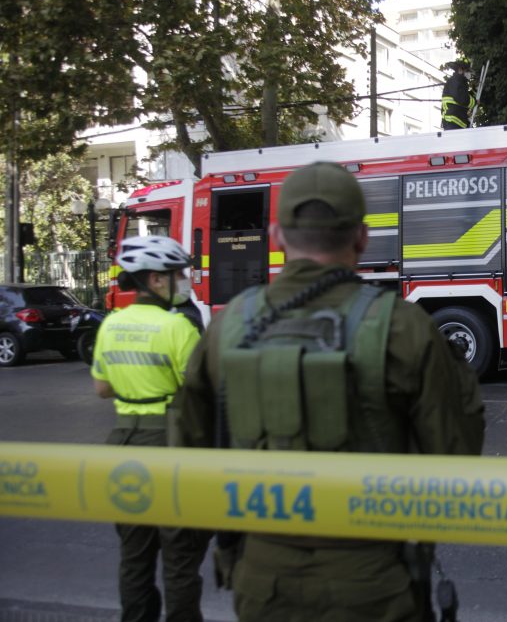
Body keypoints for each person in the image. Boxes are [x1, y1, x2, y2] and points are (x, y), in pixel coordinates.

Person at [174, 162, 485, 622]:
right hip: (377, 588)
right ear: (362, 237)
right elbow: (456, 454)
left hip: (261, 585)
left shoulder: (227, 326)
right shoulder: (405, 327)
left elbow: (186, 459)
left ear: (276, 236)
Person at [90, 235, 210, 622]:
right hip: (170, 443)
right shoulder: (178, 327)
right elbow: (198, 391)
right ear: (155, 279)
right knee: (180, 558)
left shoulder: (111, 324)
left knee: (134, 556)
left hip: (123, 445)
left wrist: (135, 384)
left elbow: (102, 388)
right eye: (178, 275)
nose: (184, 282)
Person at [441, 60, 476, 130]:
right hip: (452, 120)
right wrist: (474, 102)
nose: (469, 74)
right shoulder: (455, 80)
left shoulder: (460, 82)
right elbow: (461, 98)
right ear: (460, 70)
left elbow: (462, 97)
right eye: (467, 71)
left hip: (457, 120)